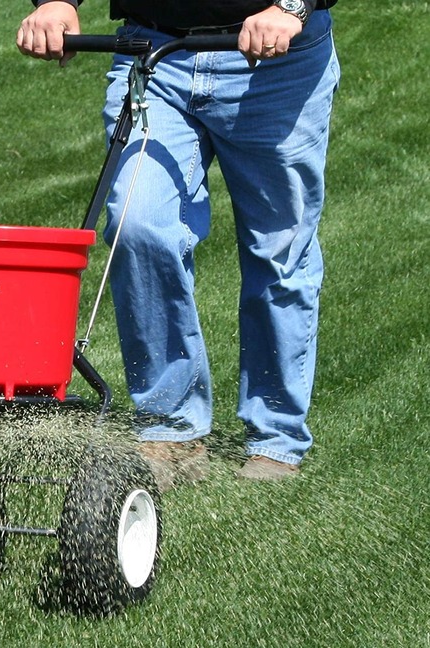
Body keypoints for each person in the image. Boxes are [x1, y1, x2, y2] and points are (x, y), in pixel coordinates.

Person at [17, 0, 340, 486]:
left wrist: (292, 7)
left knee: (278, 254)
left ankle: (275, 437)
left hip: (278, 63)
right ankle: (172, 426)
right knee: (139, 224)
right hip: (154, 55)